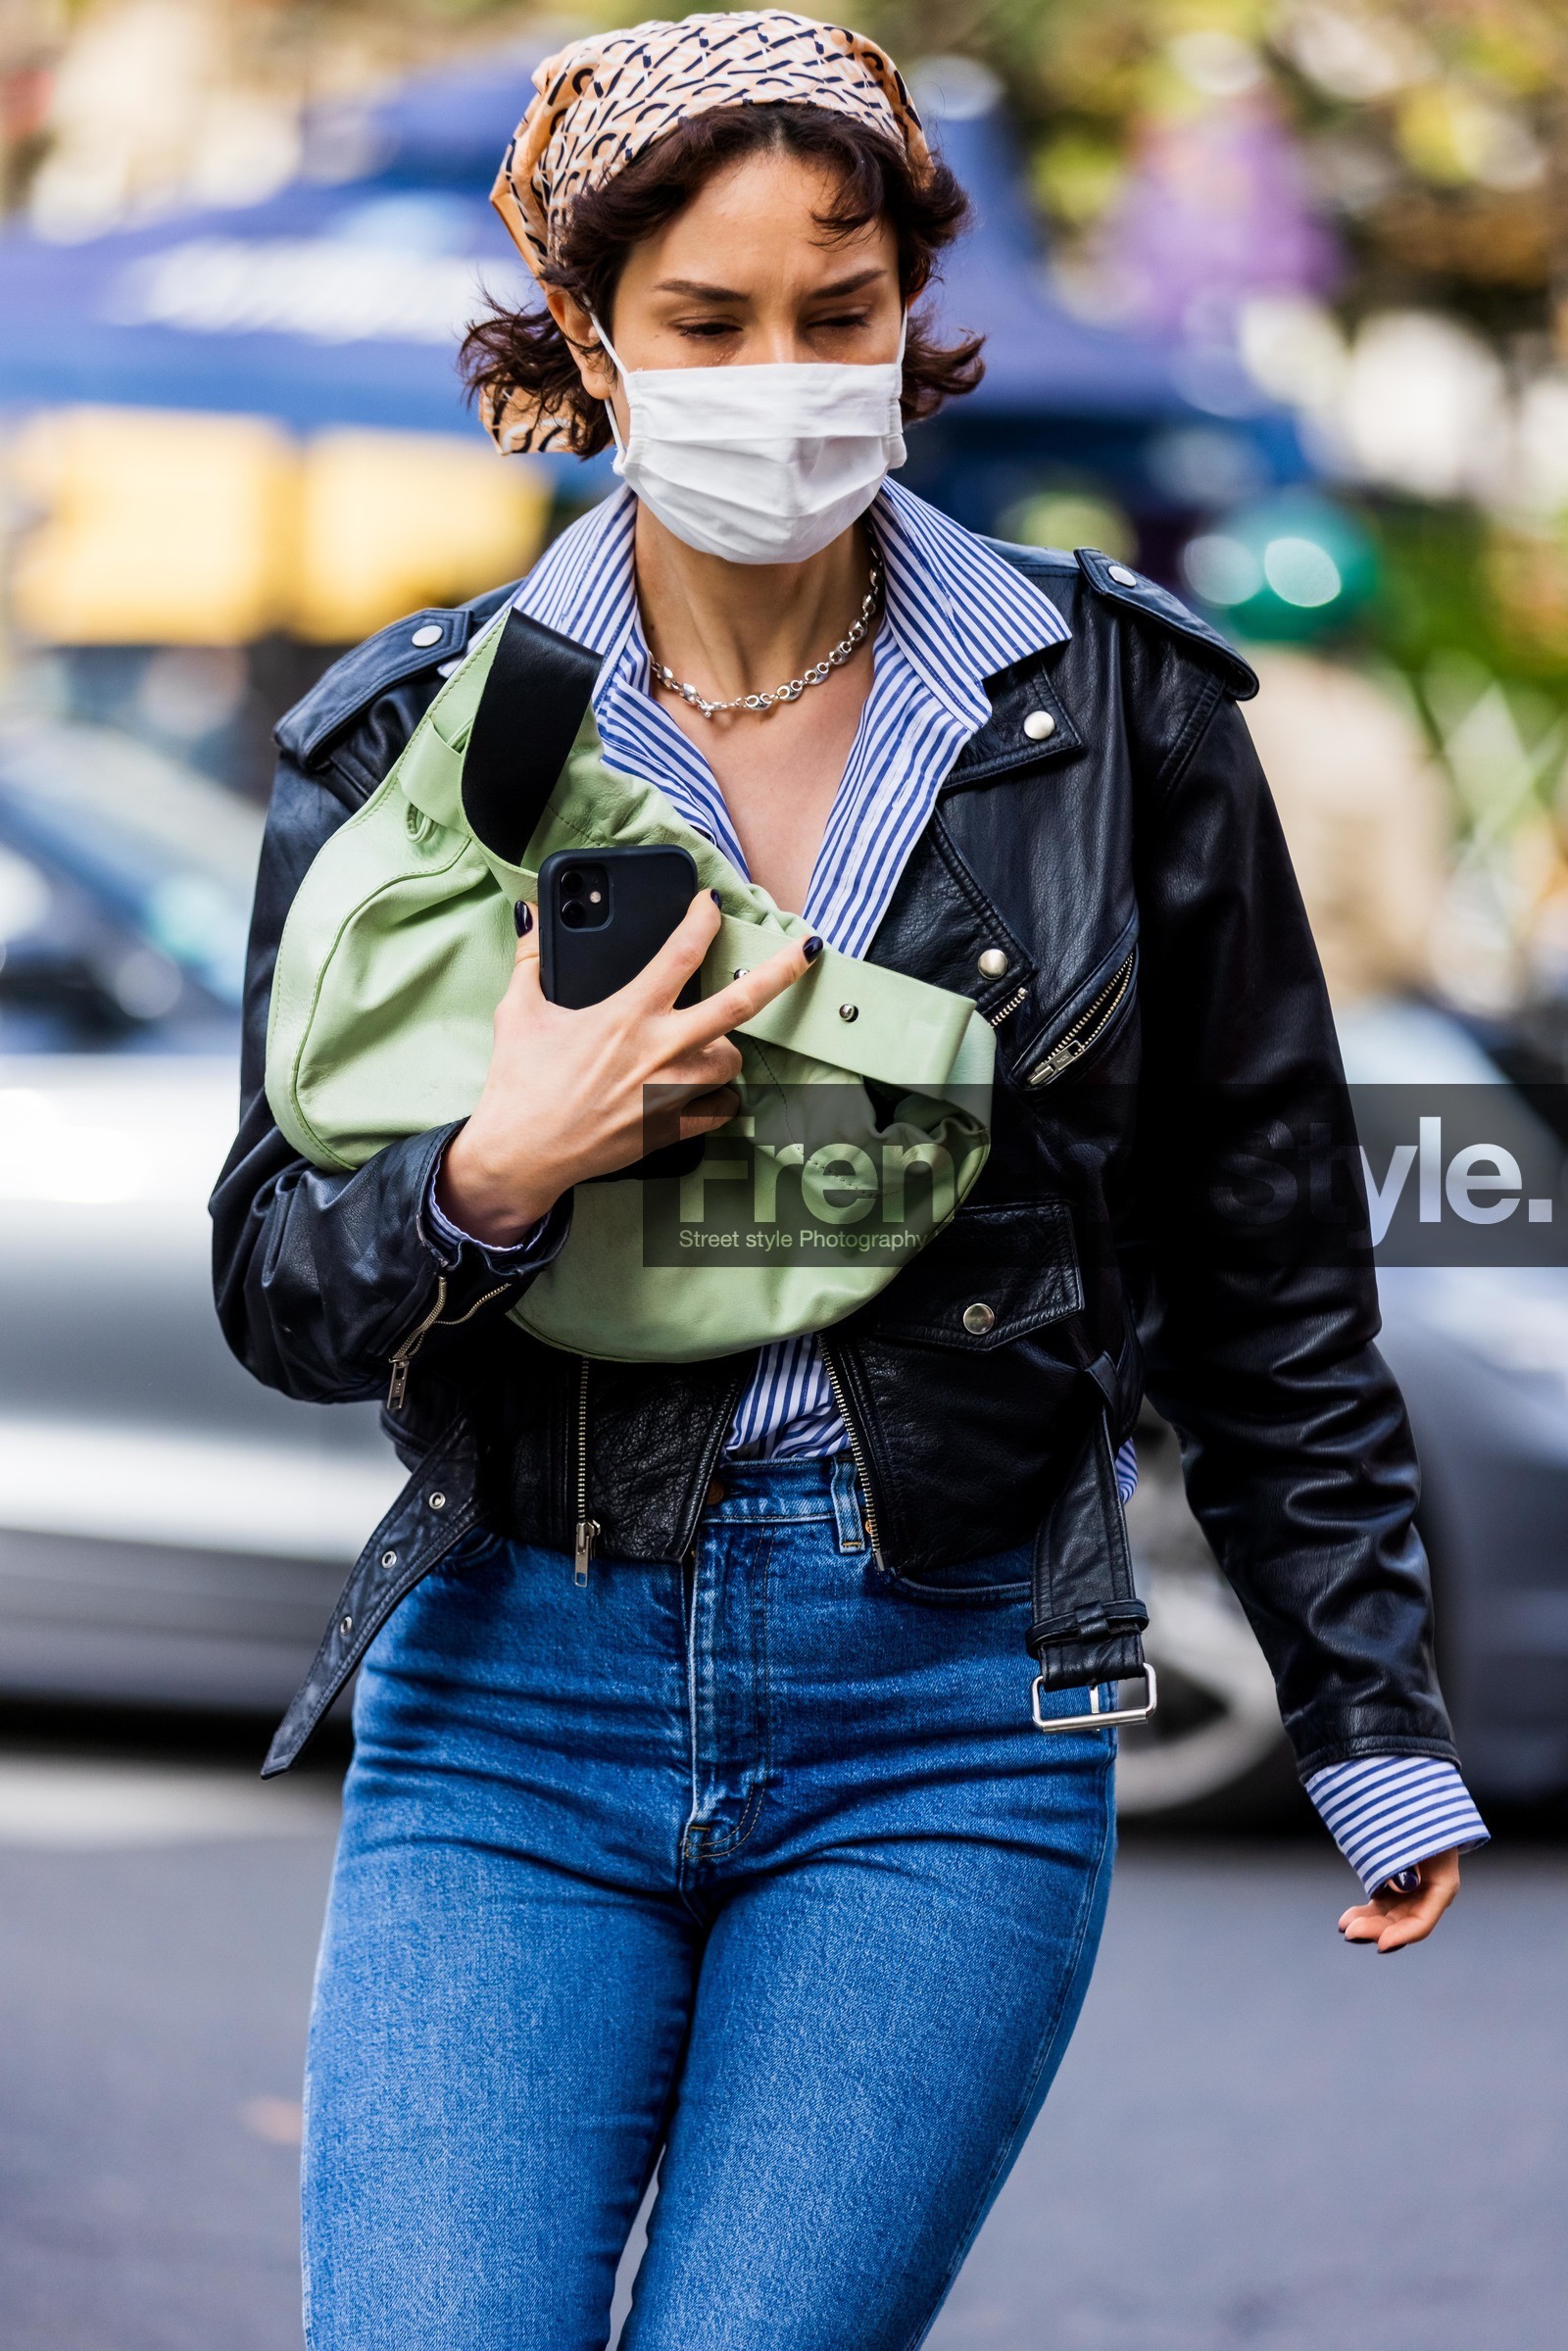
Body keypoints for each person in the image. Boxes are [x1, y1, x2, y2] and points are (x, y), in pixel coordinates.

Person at [212, 15, 1487, 2347]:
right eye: (707, 323)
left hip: (945, 1712)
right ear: (588, 334)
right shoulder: (416, 738)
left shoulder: (1117, 715)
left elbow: (1265, 1255)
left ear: (913, 312)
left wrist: (1367, 1722)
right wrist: (495, 1172)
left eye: (841, 311)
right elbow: (276, 1290)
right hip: (514, 1690)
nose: (787, 375)